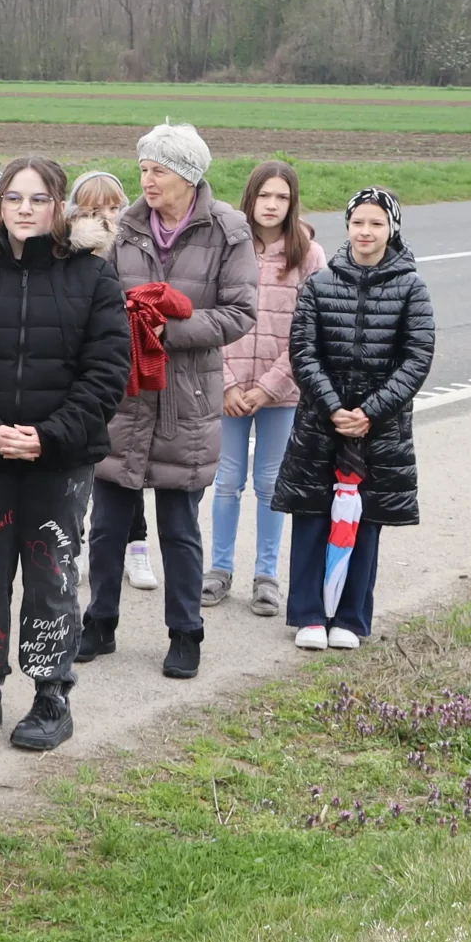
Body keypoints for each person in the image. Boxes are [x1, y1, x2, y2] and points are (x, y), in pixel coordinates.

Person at [0, 157, 130, 753]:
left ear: (58, 206)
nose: (25, 210)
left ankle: (50, 692)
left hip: (59, 459)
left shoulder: (92, 276)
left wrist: (51, 433)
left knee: (51, 573)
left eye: (39, 200)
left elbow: (107, 369)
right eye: (14, 198)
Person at [79, 123, 256, 682]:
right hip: (125, 398)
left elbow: (240, 312)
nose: (146, 179)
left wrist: (162, 328)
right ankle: (99, 621)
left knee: (179, 529)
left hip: (188, 399)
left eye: (157, 169)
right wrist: (123, 325)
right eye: (143, 168)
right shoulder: (125, 228)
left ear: (188, 175)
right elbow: (101, 302)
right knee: (106, 525)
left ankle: (185, 633)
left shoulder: (228, 228)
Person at [274, 188, 435, 650]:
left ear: (392, 229)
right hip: (321, 421)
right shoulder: (320, 283)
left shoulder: (412, 288)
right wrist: (333, 407)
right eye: (358, 222)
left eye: (376, 224)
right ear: (347, 227)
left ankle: (350, 617)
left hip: (380, 428)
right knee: (311, 513)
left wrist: (370, 411)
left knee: (365, 520)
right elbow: (303, 352)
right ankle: (307, 614)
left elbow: (417, 357)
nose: (366, 232)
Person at [208, 162, 324, 618]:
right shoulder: (228, 247)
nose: (272, 205)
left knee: (272, 483)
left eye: (281, 197)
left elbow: (311, 330)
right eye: (264, 196)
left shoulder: (309, 255)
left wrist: (272, 386)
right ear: (250, 198)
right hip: (228, 392)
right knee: (227, 481)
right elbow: (211, 317)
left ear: (292, 202)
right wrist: (230, 383)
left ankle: (267, 576)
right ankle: (218, 570)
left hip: (282, 393)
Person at [70, 171, 158, 592]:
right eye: (93, 209)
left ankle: (138, 545)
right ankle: (81, 543)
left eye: (113, 206)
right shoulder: (73, 253)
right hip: (83, 373)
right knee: (88, 467)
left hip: (127, 369)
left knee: (128, 463)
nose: (106, 216)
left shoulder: (136, 245)